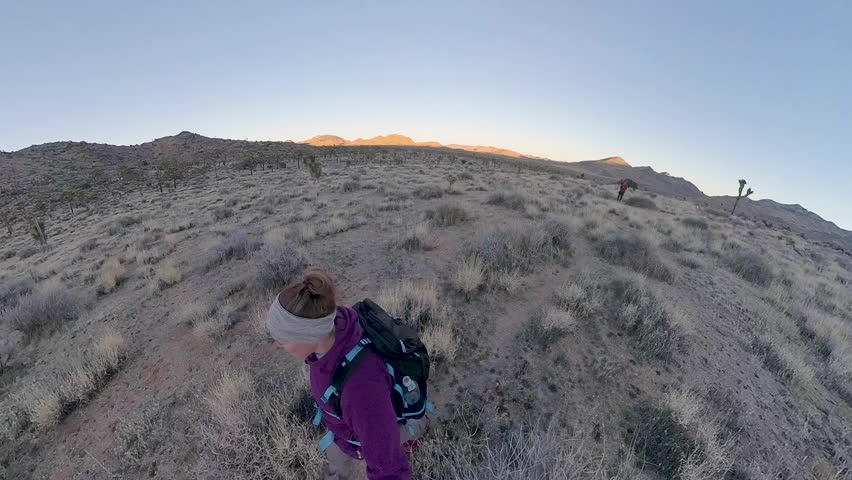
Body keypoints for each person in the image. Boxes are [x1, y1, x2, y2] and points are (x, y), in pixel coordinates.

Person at [266, 269, 426, 480]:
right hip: (345, 429)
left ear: (310, 336)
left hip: (369, 430)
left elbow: (389, 469)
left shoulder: (360, 390)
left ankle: (413, 432)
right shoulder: (337, 323)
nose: (279, 345)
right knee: (335, 456)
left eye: (284, 340)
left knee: (346, 452)